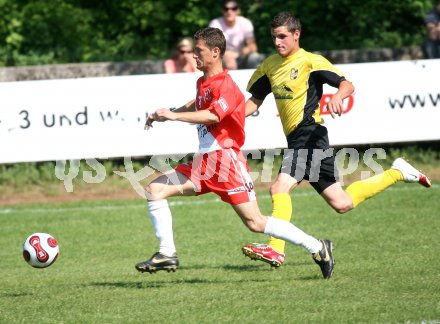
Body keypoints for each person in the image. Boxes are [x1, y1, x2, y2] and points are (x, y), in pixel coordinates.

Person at [135, 27, 335, 279]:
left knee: (255, 223)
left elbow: (213, 114)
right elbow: (198, 104)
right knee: (155, 189)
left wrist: (174, 116)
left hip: (226, 161)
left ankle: (318, 247)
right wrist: (167, 112)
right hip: (204, 163)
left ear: (215, 52)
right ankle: (167, 253)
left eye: (199, 51)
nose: (193, 56)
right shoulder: (203, 82)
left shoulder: (226, 85)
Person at [241, 12, 432, 268]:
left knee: (278, 188)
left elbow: (346, 84)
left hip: (310, 134)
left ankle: (276, 249)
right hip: (302, 140)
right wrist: (225, 117)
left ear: (296, 34)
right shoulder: (270, 66)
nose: (277, 42)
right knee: (342, 203)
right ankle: (397, 173)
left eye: (283, 36)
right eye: (274, 37)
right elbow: (254, 102)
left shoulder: (311, 62)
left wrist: (338, 96)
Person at [208, 0, 263, 70]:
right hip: (222, 58)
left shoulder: (245, 22)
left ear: (238, 11)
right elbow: (211, 48)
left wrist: (241, 53)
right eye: (226, 9)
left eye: (234, 8)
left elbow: (253, 47)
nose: (229, 11)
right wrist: (225, 56)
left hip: (240, 57)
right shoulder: (215, 24)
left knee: (254, 57)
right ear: (222, 11)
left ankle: (256, 79)